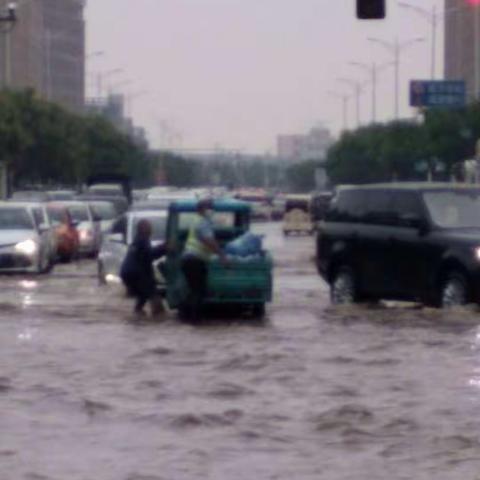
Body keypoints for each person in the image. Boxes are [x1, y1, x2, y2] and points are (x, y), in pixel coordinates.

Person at [181, 199, 225, 321]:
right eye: (208, 208)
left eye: (211, 208)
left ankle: (186, 317)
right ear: (201, 209)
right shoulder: (203, 223)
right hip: (195, 260)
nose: (210, 210)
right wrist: (222, 255)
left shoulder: (196, 220)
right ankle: (195, 320)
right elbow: (208, 240)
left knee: (193, 290)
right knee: (198, 291)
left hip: (188, 260)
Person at [120, 219, 166, 314]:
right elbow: (150, 255)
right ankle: (157, 316)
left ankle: (138, 313)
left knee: (144, 294)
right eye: (149, 227)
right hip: (135, 273)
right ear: (142, 229)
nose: (151, 229)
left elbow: (146, 257)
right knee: (152, 294)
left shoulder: (138, 240)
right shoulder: (142, 240)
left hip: (128, 273)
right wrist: (165, 247)